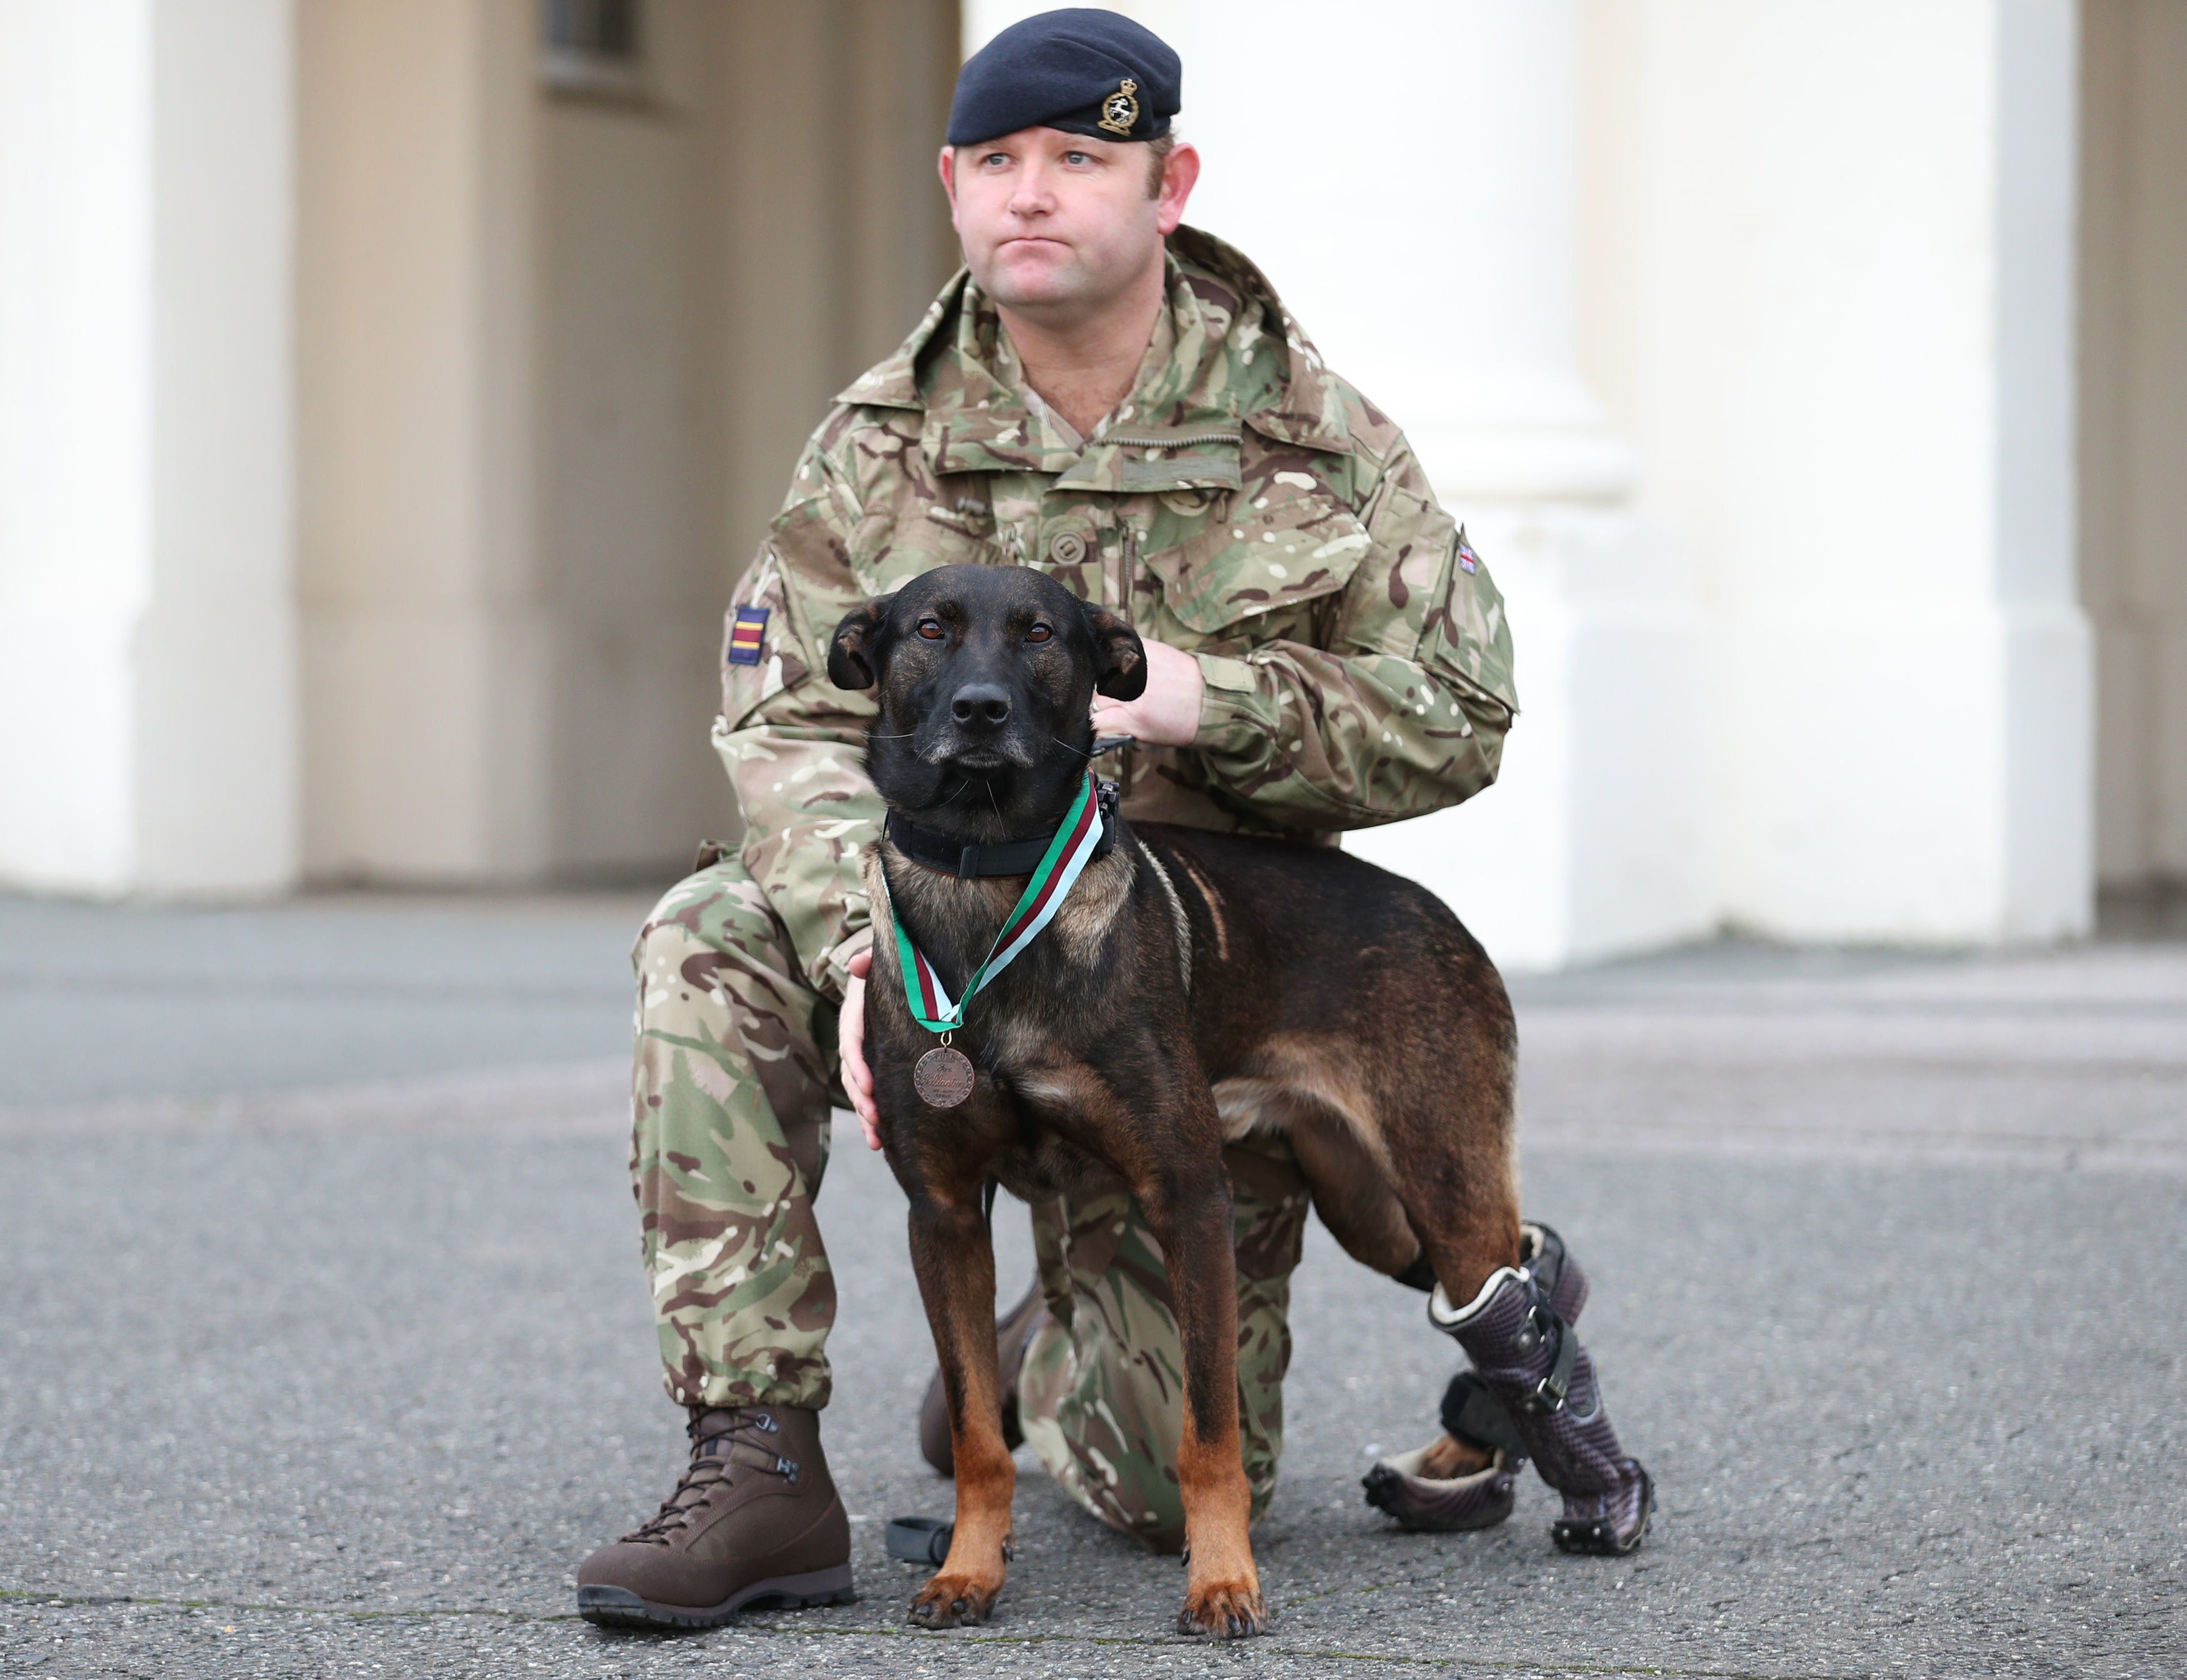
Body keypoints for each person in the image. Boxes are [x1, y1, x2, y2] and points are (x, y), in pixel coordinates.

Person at [577, 8, 1641, 1629]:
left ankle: (1059, 1333)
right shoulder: (880, 445)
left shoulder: (1310, 433)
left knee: (1160, 1502)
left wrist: (1208, 701)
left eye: (1081, 158)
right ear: (948, 185)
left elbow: (1463, 703)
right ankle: (759, 1452)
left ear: (1168, 182)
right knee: (706, 940)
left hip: (1203, 981)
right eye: (996, 161)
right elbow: (786, 713)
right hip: (936, 923)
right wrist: (863, 950)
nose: (1031, 193)